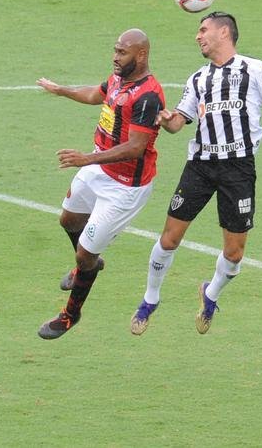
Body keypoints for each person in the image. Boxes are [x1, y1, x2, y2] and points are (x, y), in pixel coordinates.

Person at [129, 11, 262, 336]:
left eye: (203, 30)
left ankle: (211, 294)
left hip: (238, 169)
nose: (198, 36)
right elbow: (180, 122)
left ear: (223, 32)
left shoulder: (255, 69)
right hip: (200, 167)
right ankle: (150, 300)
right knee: (170, 237)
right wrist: (167, 119)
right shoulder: (197, 79)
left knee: (234, 253)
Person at [35, 28, 166, 339]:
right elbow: (97, 94)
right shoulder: (119, 78)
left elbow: (136, 148)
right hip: (99, 166)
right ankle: (90, 263)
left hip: (124, 187)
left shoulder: (148, 96)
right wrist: (61, 90)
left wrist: (85, 159)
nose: (115, 57)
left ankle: (70, 314)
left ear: (141, 55)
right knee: (68, 220)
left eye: (122, 52)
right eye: (115, 50)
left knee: (84, 254)